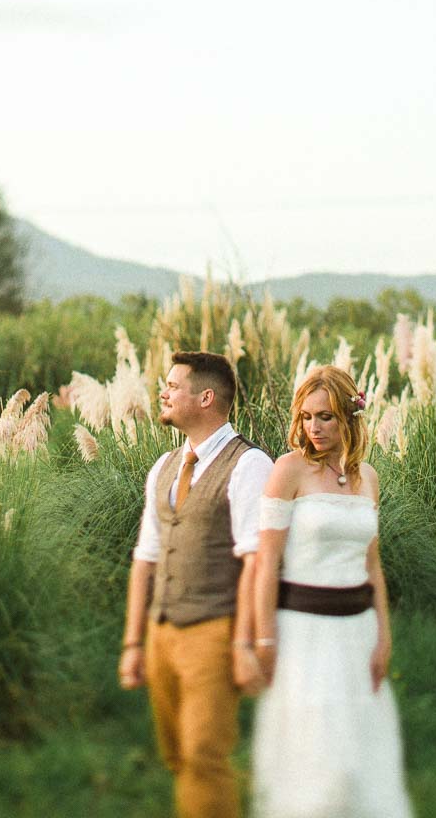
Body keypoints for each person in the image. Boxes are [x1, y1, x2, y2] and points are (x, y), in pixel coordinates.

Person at [246, 365, 412, 818]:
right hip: (303, 635)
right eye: (306, 417)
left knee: (361, 759)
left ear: (348, 418)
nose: (314, 428)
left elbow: (372, 564)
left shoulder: (369, 478)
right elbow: (266, 562)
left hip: (356, 634)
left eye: (326, 417)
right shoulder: (289, 471)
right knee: (317, 762)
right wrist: (264, 639)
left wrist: (384, 637)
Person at [120, 350, 273, 818]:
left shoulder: (249, 465)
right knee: (178, 758)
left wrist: (245, 642)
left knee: (204, 758)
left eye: (172, 385)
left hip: (214, 631)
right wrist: (134, 642)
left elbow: (256, 561)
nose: (162, 393)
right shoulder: (164, 465)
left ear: (205, 397)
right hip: (162, 632)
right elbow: (144, 559)